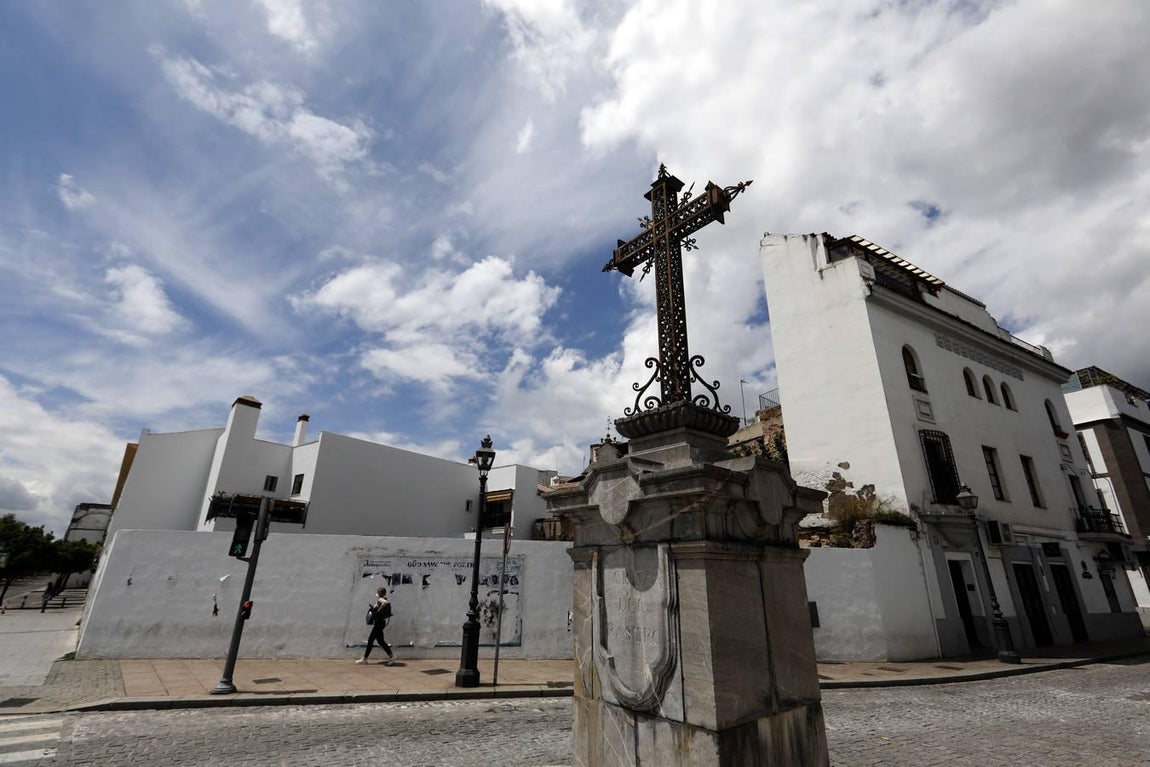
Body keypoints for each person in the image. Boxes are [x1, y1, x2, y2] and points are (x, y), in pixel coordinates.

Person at [357, 586, 395, 666]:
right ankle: (391, 657)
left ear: (380, 593)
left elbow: (385, 603)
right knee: (380, 641)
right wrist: (375, 608)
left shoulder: (381, 599)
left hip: (379, 624)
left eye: (378, 592)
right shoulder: (381, 599)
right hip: (380, 623)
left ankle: (365, 659)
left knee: (371, 640)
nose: (377, 594)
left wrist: (378, 609)